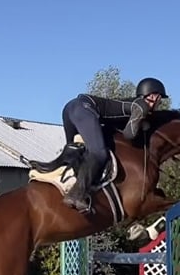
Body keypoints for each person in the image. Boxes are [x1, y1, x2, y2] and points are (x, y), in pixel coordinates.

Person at [59, 77, 169, 212]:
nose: (156, 104)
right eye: (157, 99)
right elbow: (129, 134)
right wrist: (143, 125)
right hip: (84, 108)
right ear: (149, 96)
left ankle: (69, 186)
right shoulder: (141, 106)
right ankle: (76, 194)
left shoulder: (133, 105)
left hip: (72, 108)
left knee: (75, 152)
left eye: (159, 101)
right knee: (99, 153)